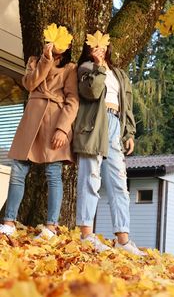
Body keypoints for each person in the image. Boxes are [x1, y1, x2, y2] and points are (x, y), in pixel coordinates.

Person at [0, 31, 79, 239]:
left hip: (54, 122)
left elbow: (72, 100)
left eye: (62, 41)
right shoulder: (35, 61)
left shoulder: (70, 69)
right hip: (31, 120)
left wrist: (63, 128)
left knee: (53, 174)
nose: (56, 44)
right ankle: (8, 222)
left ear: (69, 46)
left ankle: (51, 226)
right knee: (17, 170)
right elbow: (29, 84)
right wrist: (46, 59)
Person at [73, 31, 146, 256]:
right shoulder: (85, 67)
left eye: (103, 44)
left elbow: (127, 104)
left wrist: (129, 133)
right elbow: (92, 92)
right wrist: (98, 66)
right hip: (95, 124)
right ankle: (86, 235)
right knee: (90, 178)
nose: (100, 48)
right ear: (88, 47)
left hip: (115, 124)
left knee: (119, 184)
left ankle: (123, 239)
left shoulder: (120, 74)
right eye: (95, 44)